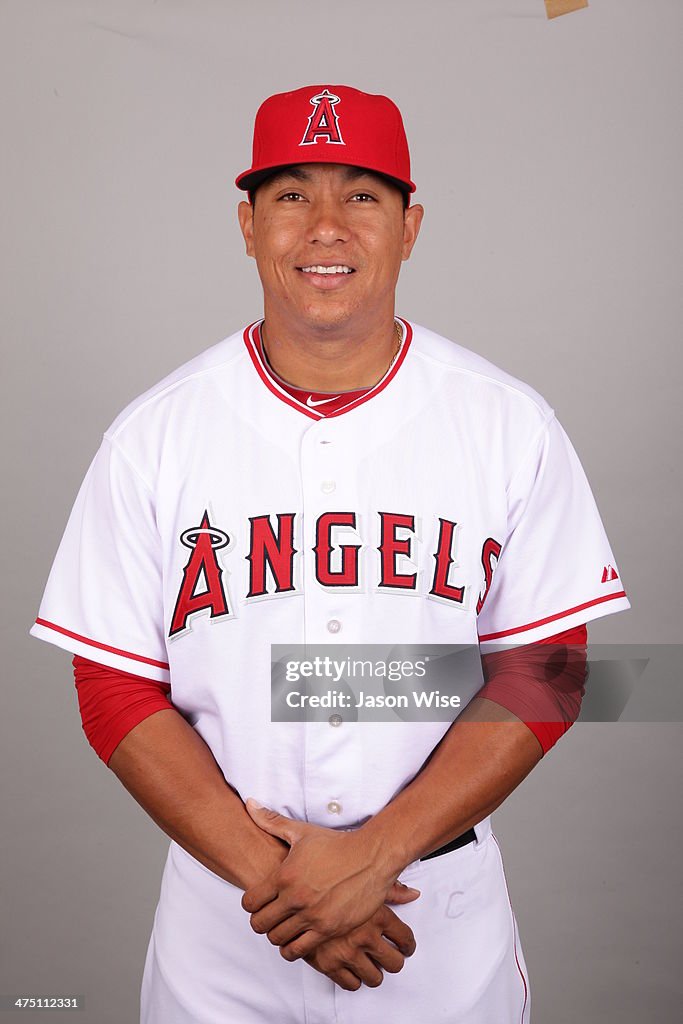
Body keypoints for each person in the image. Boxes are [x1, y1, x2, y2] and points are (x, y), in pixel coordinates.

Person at [30, 84, 630, 1023]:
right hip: (226, 925)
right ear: (246, 224)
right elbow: (112, 689)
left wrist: (379, 852)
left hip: (432, 921)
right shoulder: (153, 437)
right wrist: (284, 885)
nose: (324, 226)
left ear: (409, 225)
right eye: (290, 196)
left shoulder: (509, 424)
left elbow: (547, 669)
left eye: (360, 196)